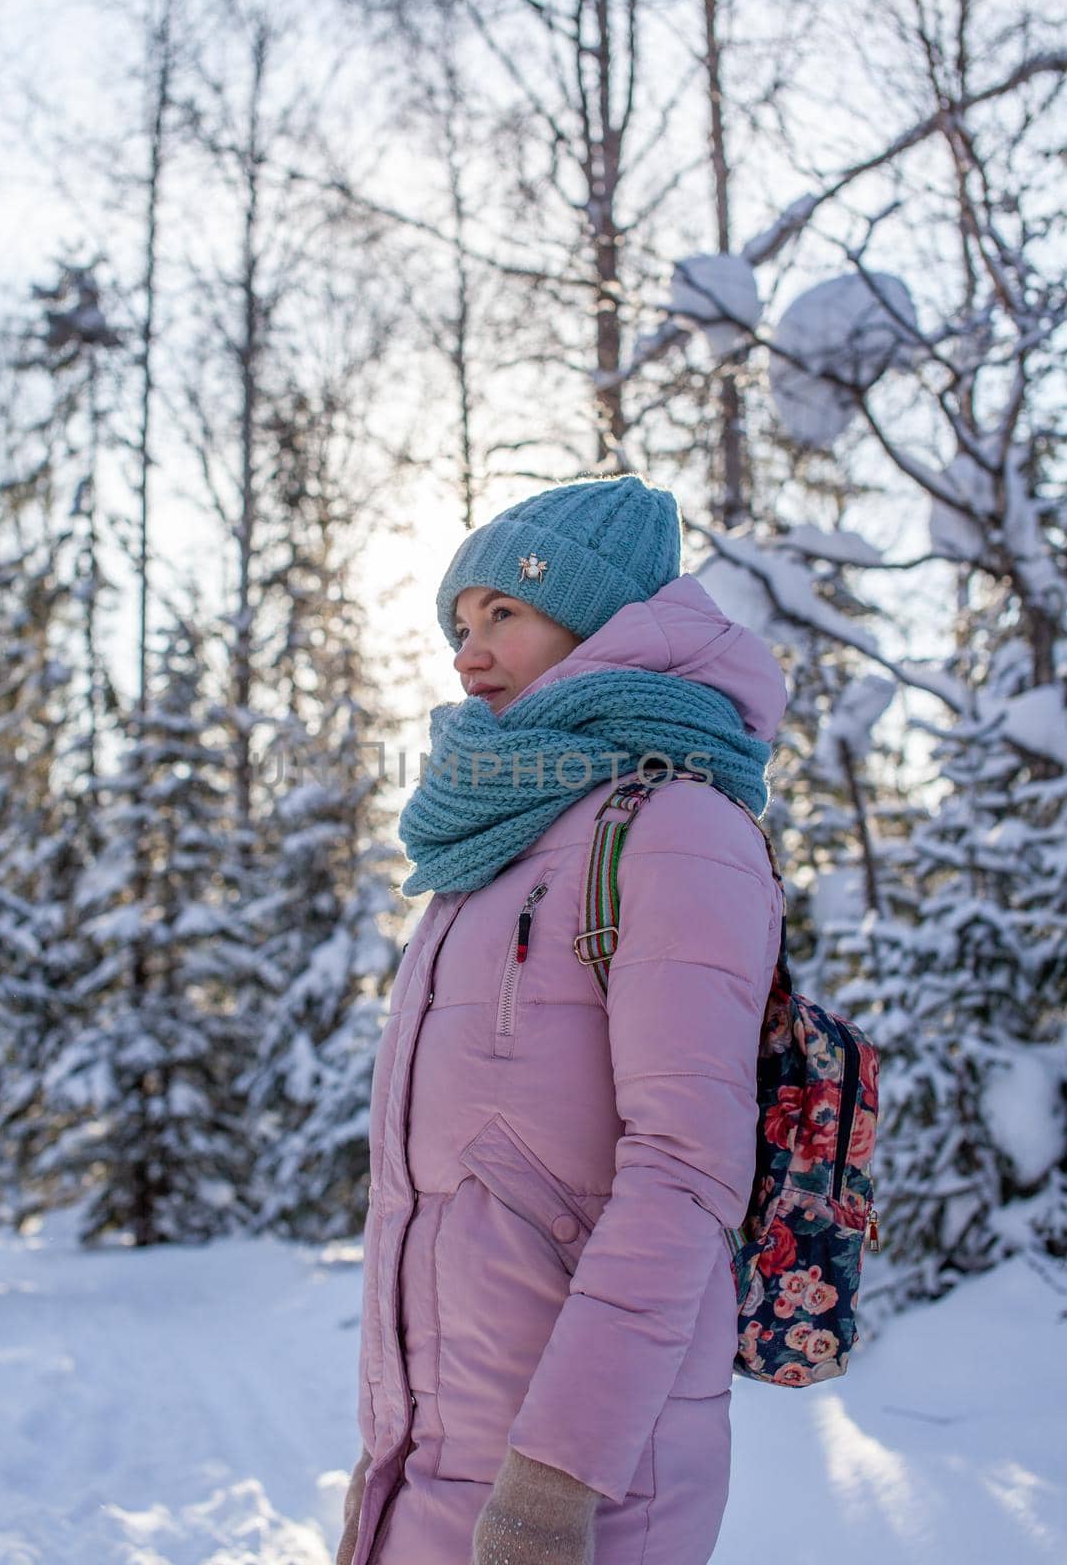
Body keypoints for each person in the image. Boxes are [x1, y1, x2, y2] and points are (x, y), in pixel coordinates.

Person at [338, 474, 787, 1565]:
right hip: (434, 1448)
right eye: (458, 622)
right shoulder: (497, 838)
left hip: (574, 1485)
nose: (467, 651)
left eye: (504, 613)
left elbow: (684, 1169)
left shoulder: (674, 828)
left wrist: (553, 1481)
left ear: (596, 621)